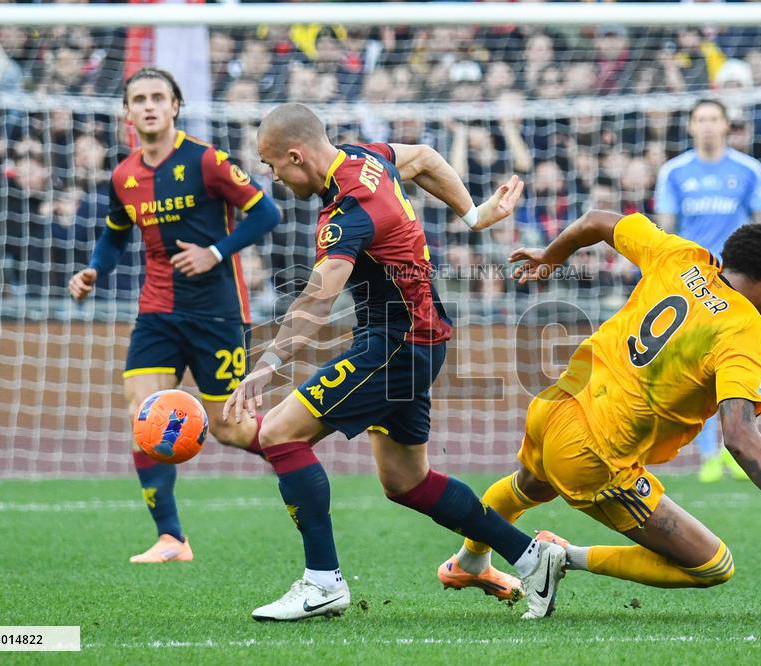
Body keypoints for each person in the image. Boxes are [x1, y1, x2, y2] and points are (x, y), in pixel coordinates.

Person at [222, 103, 566, 622]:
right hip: (418, 338)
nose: (272, 177)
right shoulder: (368, 158)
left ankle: (322, 582)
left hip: (396, 344)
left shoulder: (346, 214)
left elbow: (317, 300)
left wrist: (268, 363)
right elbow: (426, 158)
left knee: (279, 434)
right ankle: (533, 557)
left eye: (272, 166)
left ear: (296, 156)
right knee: (407, 483)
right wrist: (473, 216)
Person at [439, 210, 761, 603]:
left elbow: (597, 220)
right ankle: (561, 556)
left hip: (557, 404)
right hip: (594, 453)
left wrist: (553, 256)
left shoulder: (681, 255)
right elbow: (738, 435)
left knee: (528, 485)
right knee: (713, 564)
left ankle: (469, 562)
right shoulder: (743, 329)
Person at [68, 68, 282, 563]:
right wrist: (94, 270)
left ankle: (292, 452)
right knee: (145, 418)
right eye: (138, 98)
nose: (148, 106)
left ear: (175, 107)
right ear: (126, 113)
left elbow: (266, 213)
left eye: (158, 97)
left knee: (232, 428)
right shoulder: (123, 175)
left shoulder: (207, 161)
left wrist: (216, 251)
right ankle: (171, 538)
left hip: (218, 316)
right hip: (158, 314)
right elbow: (115, 234)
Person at [654, 98, 761, 483]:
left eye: (714, 119)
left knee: (738, 366)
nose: (707, 126)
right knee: (699, 370)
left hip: (739, 285)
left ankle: (735, 446)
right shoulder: (674, 172)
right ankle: (709, 453)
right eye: (700, 119)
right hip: (694, 286)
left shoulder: (748, 170)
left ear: (726, 125)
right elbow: (666, 229)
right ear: (691, 126)